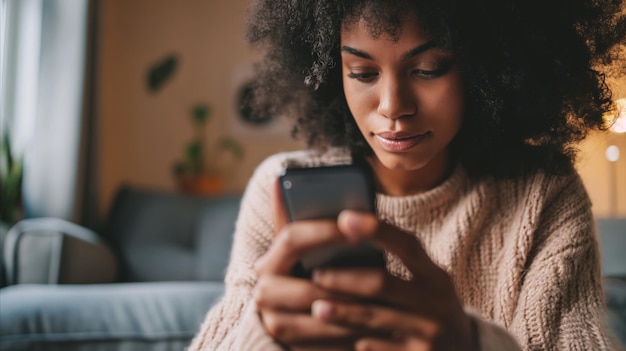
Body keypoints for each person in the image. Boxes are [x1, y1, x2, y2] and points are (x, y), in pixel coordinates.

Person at [189, 0, 626, 350]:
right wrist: (263, 336)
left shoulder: (542, 192)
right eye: (362, 73)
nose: (392, 106)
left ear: (487, 68)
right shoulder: (279, 188)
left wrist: (469, 344)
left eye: (429, 68)